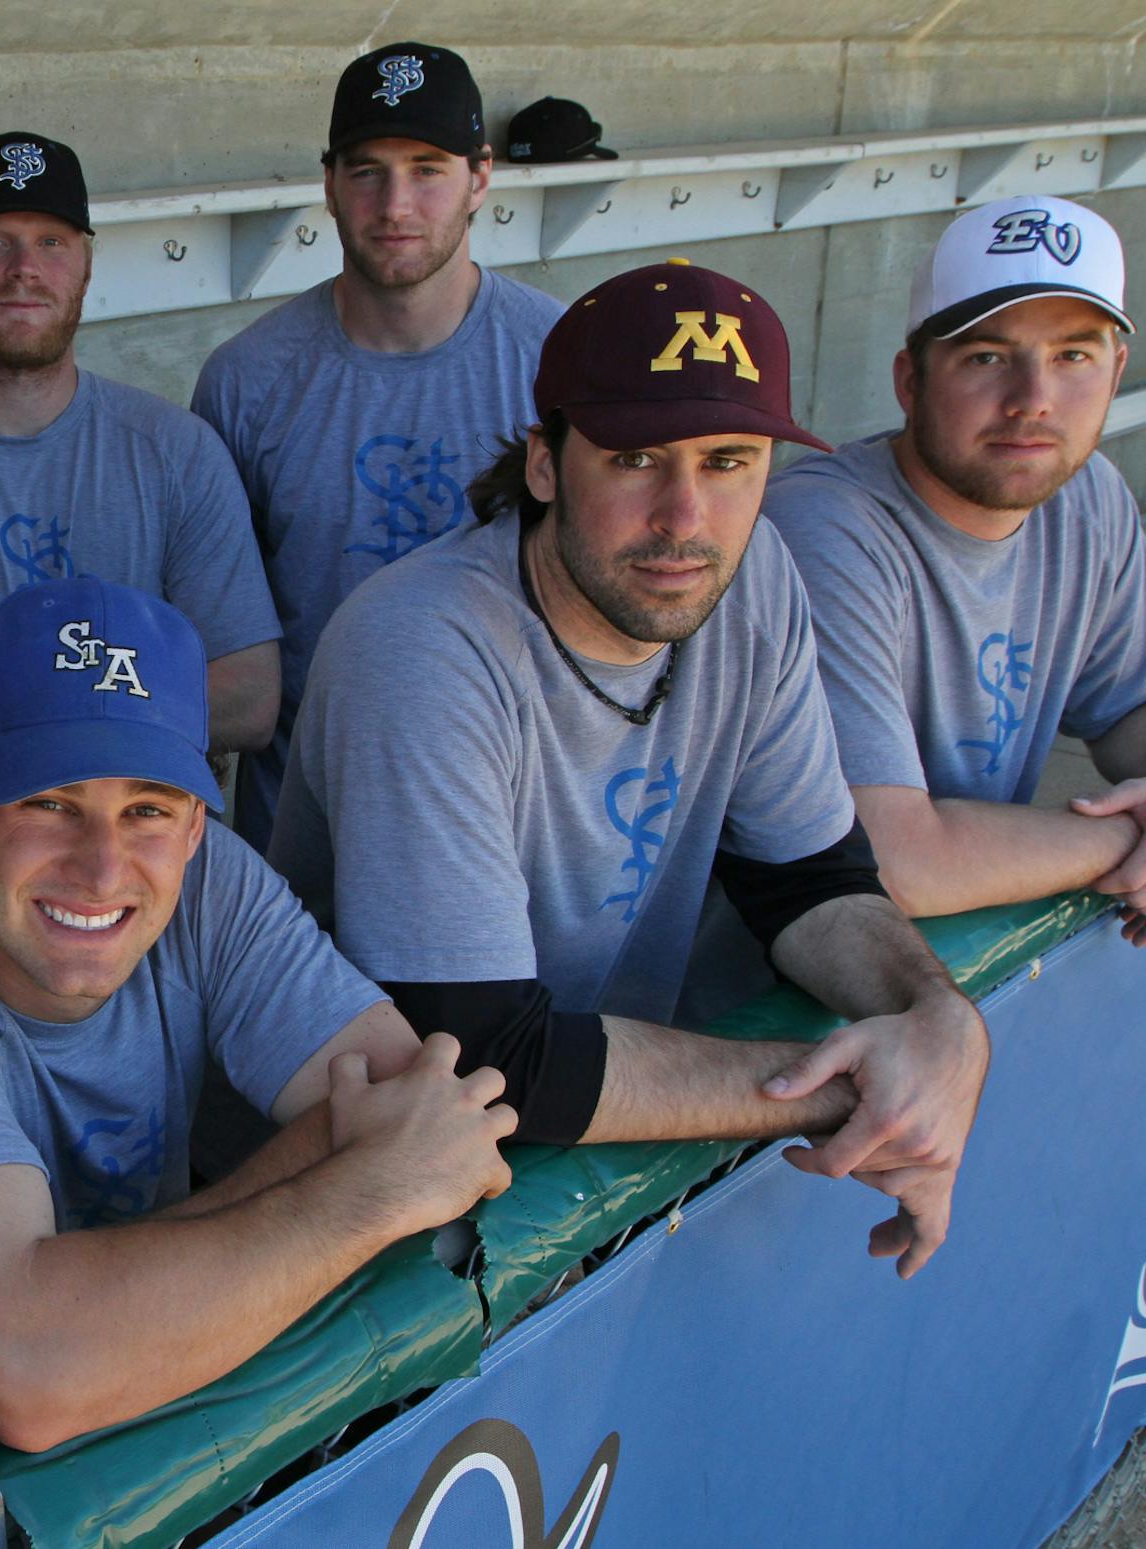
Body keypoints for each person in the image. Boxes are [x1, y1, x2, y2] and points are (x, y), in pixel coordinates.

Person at [268, 261, 991, 1280]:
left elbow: (809, 880)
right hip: (349, 1218)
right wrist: (859, 1090)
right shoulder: (422, 647)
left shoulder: (753, 577)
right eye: (638, 457)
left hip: (578, 1161)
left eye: (730, 461)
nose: (686, 516)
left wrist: (936, 1018)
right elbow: (477, 1055)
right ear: (548, 463)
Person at [0, 576, 517, 1453]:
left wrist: (87, 1298)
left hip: (174, 1439)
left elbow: (415, 1105)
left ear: (196, 825)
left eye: (147, 808)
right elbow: (30, 1373)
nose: (104, 867)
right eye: (50, 802)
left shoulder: (205, 882)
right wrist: (359, 1193)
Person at [0, 131, 281, 853]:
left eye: (51, 242)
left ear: (85, 266)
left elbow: (252, 697)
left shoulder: (176, 450)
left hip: (160, 879)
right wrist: (144, 687)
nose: (23, 270)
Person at [192, 43, 563, 846]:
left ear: (482, 176)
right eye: (367, 170)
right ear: (328, 184)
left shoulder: (560, 360)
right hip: (304, 831)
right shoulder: (246, 382)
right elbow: (226, 652)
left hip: (513, 819)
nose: (395, 203)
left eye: (428, 168)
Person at [766, 195, 1146, 938]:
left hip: (950, 953)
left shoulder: (1087, 494)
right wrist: (1126, 838)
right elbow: (893, 861)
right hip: (773, 992)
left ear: (1115, 370)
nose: (1032, 402)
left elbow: (1125, 704)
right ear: (912, 380)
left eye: (1073, 356)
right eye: (987, 357)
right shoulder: (824, 529)